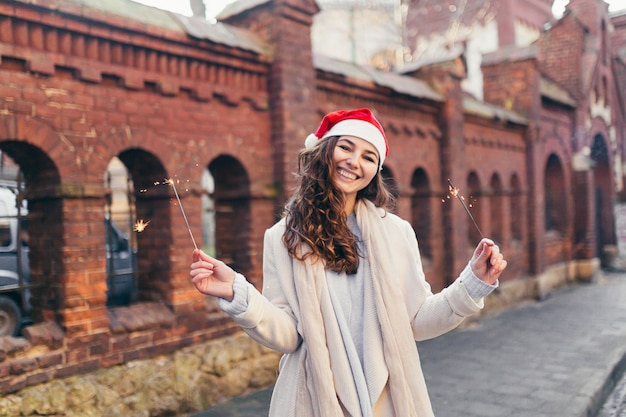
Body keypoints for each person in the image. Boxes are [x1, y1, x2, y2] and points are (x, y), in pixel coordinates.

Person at [190, 108, 507, 417]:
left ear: (375, 171)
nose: (354, 162)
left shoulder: (396, 233)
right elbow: (289, 335)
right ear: (323, 151)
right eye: (346, 147)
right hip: (312, 399)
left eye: (369, 157)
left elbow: (417, 320)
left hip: (388, 399)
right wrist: (238, 293)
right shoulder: (281, 238)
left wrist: (473, 283)